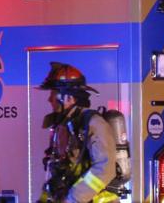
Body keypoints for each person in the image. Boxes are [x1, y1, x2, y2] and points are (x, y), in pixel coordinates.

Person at [37, 62, 118, 203]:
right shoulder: (63, 126)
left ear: (68, 97)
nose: (49, 99)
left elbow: (105, 168)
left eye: (54, 94)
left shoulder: (94, 123)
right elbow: (58, 172)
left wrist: (73, 199)